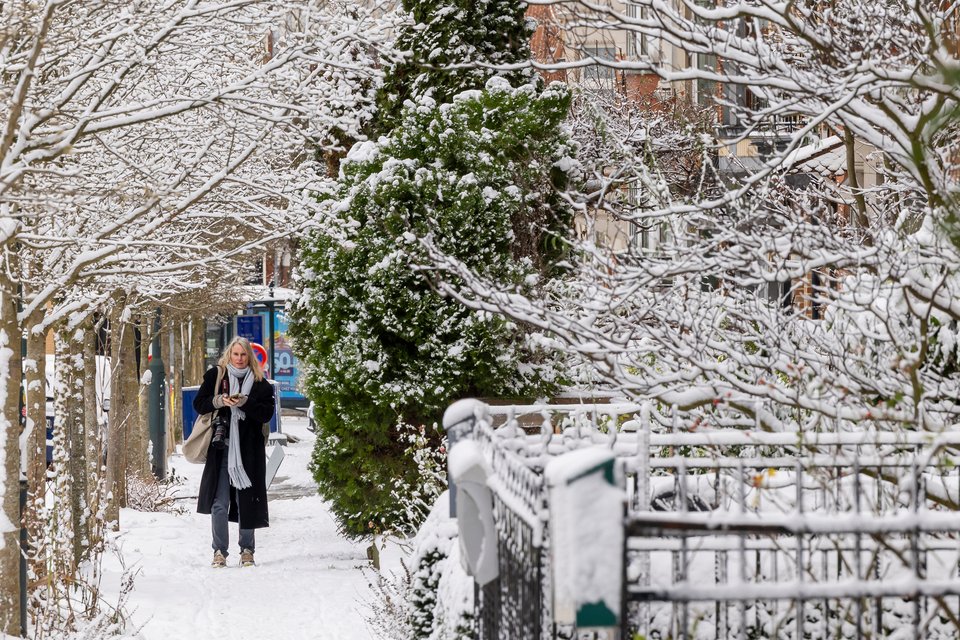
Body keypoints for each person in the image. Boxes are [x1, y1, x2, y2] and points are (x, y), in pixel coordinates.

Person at [193, 336, 275, 568]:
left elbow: (266, 414)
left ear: (250, 357)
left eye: (243, 355)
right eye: (235, 354)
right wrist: (220, 401)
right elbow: (200, 403)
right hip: (221, 448)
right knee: (219, 502)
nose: (239, 359)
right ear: (229, 354)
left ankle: (247, 549)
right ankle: (219, 551)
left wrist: (245, 403)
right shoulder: (216, 376)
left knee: (246, 499)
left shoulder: (260, 383)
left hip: (248, 451)